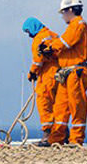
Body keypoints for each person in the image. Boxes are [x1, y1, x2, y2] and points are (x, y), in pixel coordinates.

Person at [42, 0, 87, 145]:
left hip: (75, 72)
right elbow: (64, 45)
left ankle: (76, 140)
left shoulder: (78, 24)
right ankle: (56, 139)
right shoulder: (73, 26)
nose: (63, 16)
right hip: (67, 73)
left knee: (76, 105)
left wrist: (49, 47)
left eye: (63, 12)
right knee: (61, 107)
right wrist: (50, 50)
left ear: (70, 9)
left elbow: (66, 42)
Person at [23, 17, 61, 146]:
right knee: (58, 104)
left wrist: (32, 72)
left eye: (28, 32)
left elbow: (37, 60)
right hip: (60, 73)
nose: (29, 35)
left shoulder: (39, 38)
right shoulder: (53, 35)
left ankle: (47, 135)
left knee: (44, 102)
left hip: (48, 74)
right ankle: (61, 133)